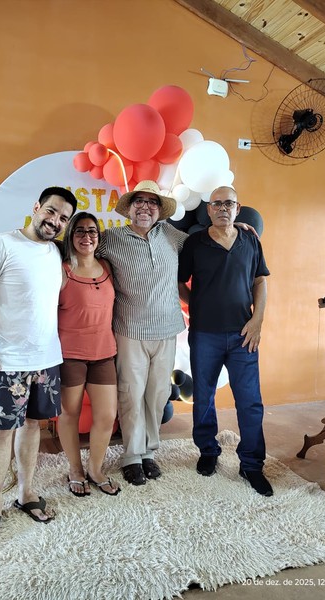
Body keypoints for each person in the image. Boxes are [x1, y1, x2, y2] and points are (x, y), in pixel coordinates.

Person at [0, 186, 77, 545]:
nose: (55, 221)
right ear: (37, 207)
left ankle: (26, 493)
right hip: (3, 361)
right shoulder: (1, 244)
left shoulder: (56, 252)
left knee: (33, 426)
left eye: (63, 218)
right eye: (51, 211)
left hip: (45, 358)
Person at [178, 186, 273, 497]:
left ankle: (251, 464)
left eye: (228, 203)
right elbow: (179, 282)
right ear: (208, 209)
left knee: (250, 401)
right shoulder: (195, 243)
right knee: (203, 397)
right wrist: (197, 305)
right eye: (216, 204)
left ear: (237, 208)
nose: (222, 208)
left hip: (244, 335)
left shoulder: (250, 240)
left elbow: (260, 281)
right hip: (204, 334)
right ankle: (208, 451)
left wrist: (257, 320)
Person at [98, 181, 187, 485]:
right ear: (130, 208)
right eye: (139, 201)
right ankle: (131, 456)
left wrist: (236, 226)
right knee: (131, 393)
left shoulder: (171, 235)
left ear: (160, 209)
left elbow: (206, 243)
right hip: (130, 329)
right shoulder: (111, 238)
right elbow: (76, 245)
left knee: (158, 394)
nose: (145, 207)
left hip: (168, 328)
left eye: (152, 202)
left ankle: (148, 452)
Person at [58, 212, 120, 496]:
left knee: (106, 416)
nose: (87, 236)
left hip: (104, 352)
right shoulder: (61, 270)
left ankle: (95, 469)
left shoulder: (107, 266)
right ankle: (75, 469)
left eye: (92, 231)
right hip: (70, 353)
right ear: (70, 235)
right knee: (69, 414)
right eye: (80, 231)